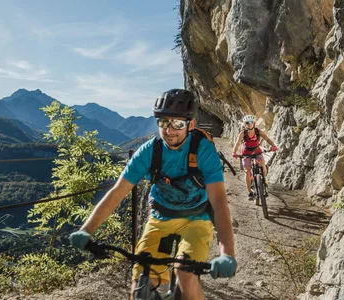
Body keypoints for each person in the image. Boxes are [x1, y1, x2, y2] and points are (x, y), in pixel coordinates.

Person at [68, 89, 237, 300]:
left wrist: (227, 254)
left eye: (178, 124)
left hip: (196, 218)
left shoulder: (203, 151)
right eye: (164, 122)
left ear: (191, 125)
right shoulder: (148, 151)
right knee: (140, 283)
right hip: (160, 218)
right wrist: (86, 230)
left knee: (185, 274)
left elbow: (219, 202)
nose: (169, 130)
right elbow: (117, 192)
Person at [232, 115, 278, 200]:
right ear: (245, 124)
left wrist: (273, 145)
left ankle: (263, 183)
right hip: (246, 152)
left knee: (263, 168)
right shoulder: (243, 133)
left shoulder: (258, 131)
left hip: (257, 150)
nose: (249, 124)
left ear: (254, 123)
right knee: (247, 172)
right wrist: (234, 152)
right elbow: (237, 143)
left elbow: (267, 139)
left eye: (251, 122)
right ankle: (250, 192)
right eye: (247, 123)